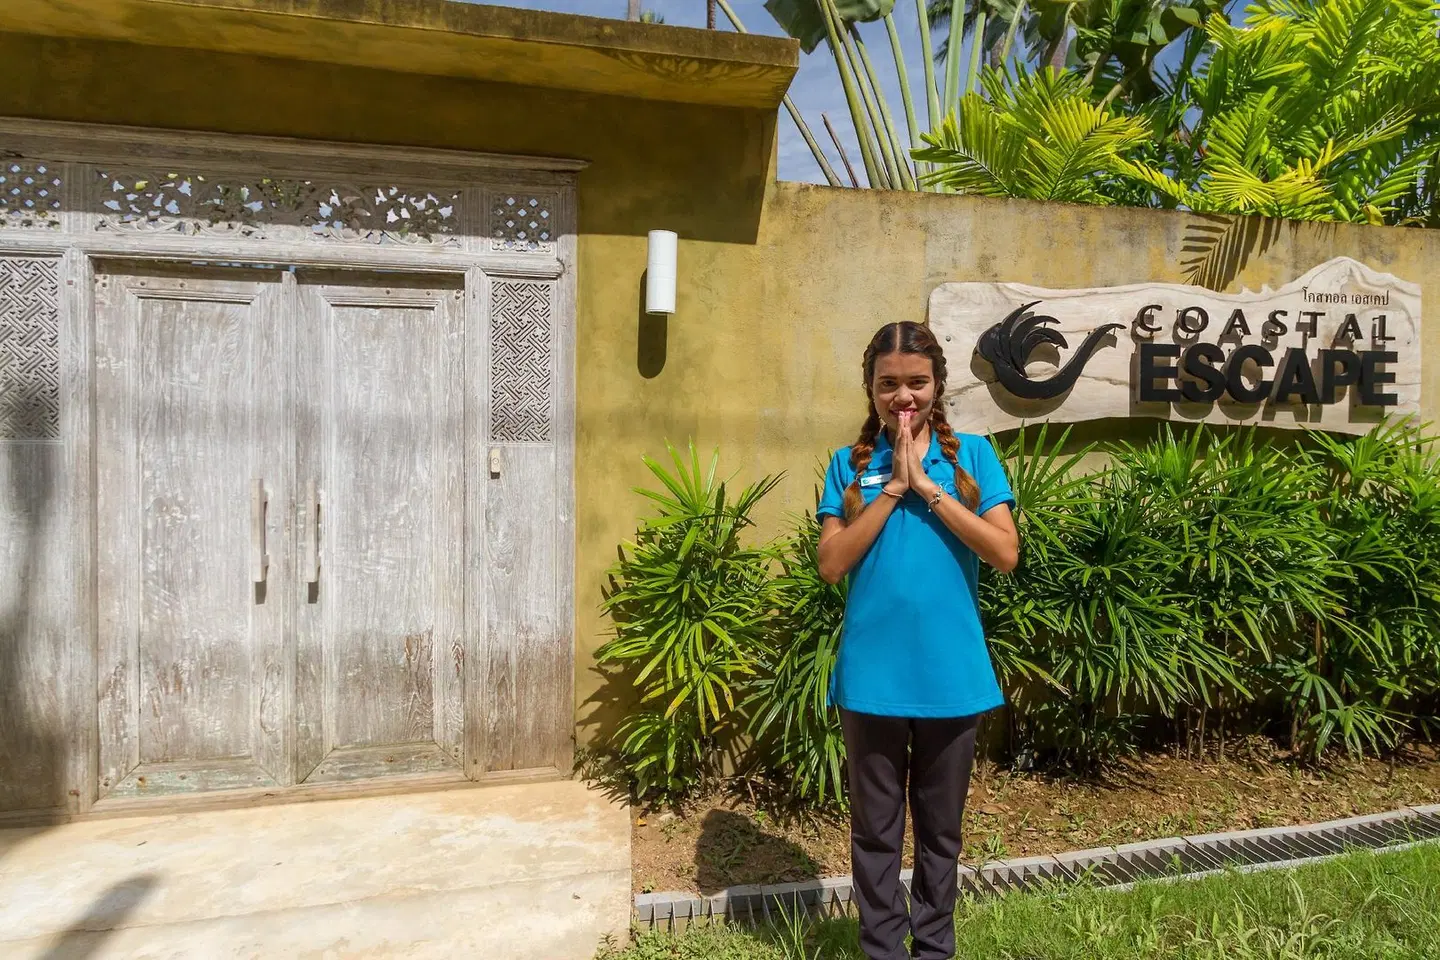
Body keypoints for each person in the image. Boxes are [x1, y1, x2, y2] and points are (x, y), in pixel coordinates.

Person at [816, 321, 1020, 960]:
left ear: (937, 386)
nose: (903, 397)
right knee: (874, 833)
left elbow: (1004, 553)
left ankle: (934, 949)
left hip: (950, 677)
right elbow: (831, 562)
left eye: (916, 383)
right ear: (871, 389)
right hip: (871, 679)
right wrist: (893, 488)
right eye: (888, 385)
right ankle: (881, 950)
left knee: (942, 834)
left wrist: (928, 489)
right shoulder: (848, 466)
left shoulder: (975, 457)